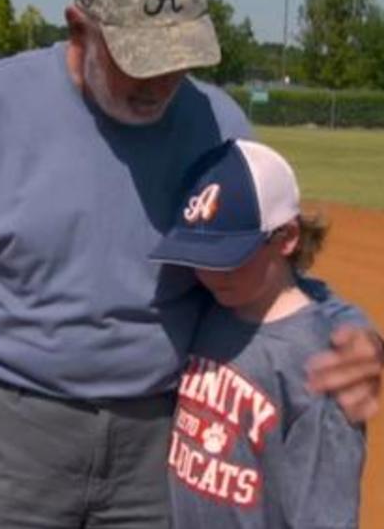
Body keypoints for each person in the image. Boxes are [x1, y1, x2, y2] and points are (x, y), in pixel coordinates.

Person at [0, 0, 384, 529]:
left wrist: (351, 329)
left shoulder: (216, 123)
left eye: (177, 61)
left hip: (160, 447)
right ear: (80, 28)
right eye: (140, 61)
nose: (161, 84)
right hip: (13, 446)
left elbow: (266, 266)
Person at [151, 138, 366, 528]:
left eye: (228, 260)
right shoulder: (212, 307)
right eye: (199, 259)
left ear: (286, 238)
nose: (211, 274)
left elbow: (325, 514)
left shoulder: (317, 363)